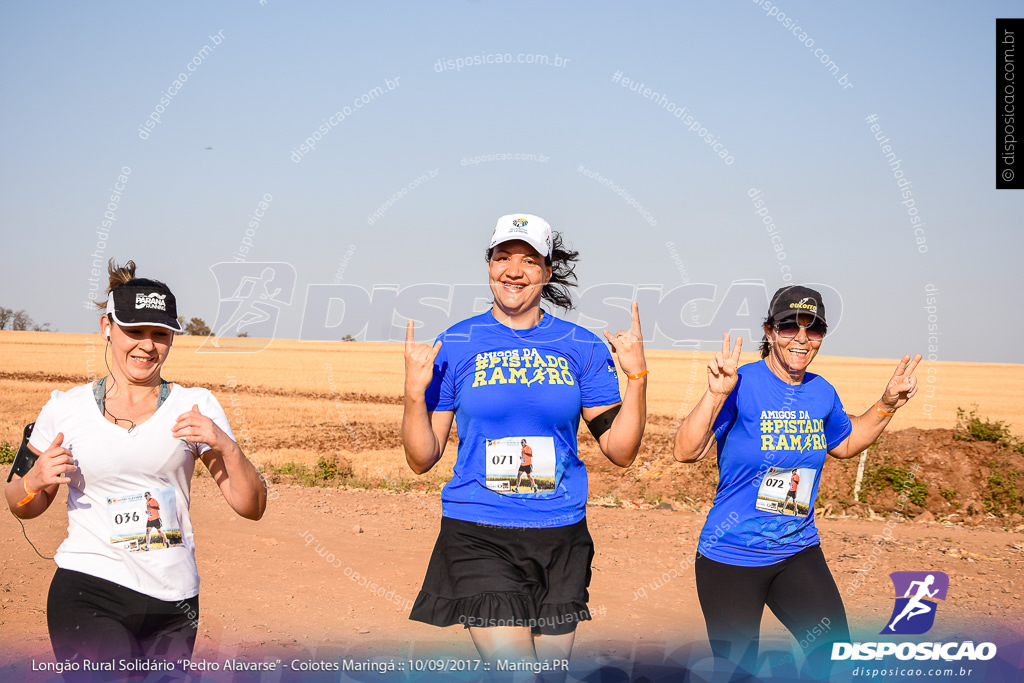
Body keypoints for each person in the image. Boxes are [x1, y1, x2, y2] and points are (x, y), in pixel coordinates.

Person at [403, 213, 648, 665]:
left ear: (547, 271)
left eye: (529, 260)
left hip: (561, 535)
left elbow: (619, 449)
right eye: (503, 257)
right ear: (489, 265)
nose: (513, 270)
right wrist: (414, 395)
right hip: (479, 531)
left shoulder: (581, 346)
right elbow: (422, 458)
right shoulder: (455, 343)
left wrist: (636, 377)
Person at [5, 260, 267, 677]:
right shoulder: (64, 408)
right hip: (89, 589)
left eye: (160, 334)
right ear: (107, 326)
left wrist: (227, 447)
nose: (147, 345)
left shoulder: (196, 406)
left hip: (175, 600)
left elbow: (251, 507)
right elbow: (19, 502)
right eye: (134, 331)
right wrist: (34, 481)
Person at [673, 285, 921, 676]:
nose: (802, 339)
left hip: (797, 550)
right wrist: (714, 395)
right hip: (732, 555)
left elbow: (846, 442)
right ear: (769, 331)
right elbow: (686, 451)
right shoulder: (740, 383)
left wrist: (887, 404)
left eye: (814, 329)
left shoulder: (821, 391)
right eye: (790, 327)